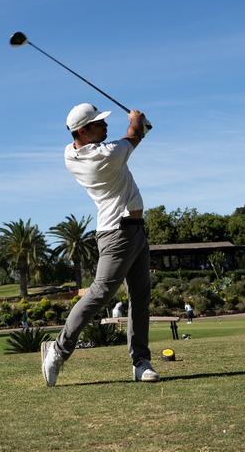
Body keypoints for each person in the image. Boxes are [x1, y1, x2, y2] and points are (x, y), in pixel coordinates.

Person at [41, 103, 158, 387]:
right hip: (117, 231)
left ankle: (140, 361)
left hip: (135, 230)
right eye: (99, 124)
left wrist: (138, 127)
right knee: (101, 292)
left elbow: (132, 137)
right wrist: (137, 121)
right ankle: (59, 349)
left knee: (141, 297)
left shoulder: (71, 153)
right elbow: (132, 136)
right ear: (82, 131)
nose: (106, 127)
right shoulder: (105, 156)